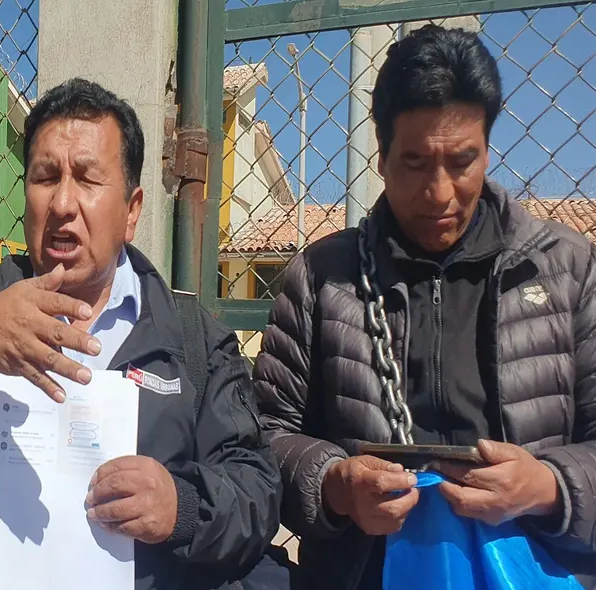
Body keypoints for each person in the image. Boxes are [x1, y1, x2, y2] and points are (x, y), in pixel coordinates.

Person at [0, 78, 282, 589]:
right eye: (45, 177)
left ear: (132, 210)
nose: (63, 202)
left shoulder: (194, 340)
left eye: (87, 179)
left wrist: (183, 506)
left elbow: (257, 488)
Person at [252, 24, 596, 589]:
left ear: (488, 148)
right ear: (380, 155)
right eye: (414, 163)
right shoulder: (320, 278)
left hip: (534, 570)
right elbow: (262, 436)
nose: (439, 193)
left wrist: (548, 487)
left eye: (462, 162)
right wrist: (336, 485)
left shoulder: (567, 270)